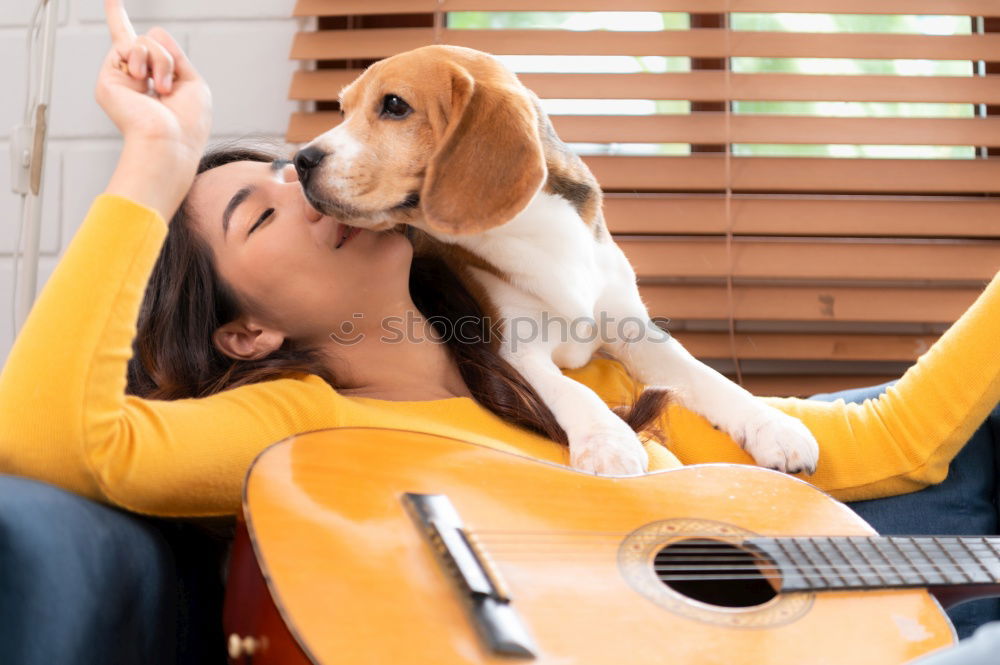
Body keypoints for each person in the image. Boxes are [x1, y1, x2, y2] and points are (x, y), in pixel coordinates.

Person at [0, 2, 998, 662]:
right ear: (249, 332)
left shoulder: (575, 363)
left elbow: (885, 444)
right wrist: (156, 160)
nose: (298, 176)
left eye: (280, 167)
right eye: (258, 214)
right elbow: (54, 443)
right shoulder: (297, 434)